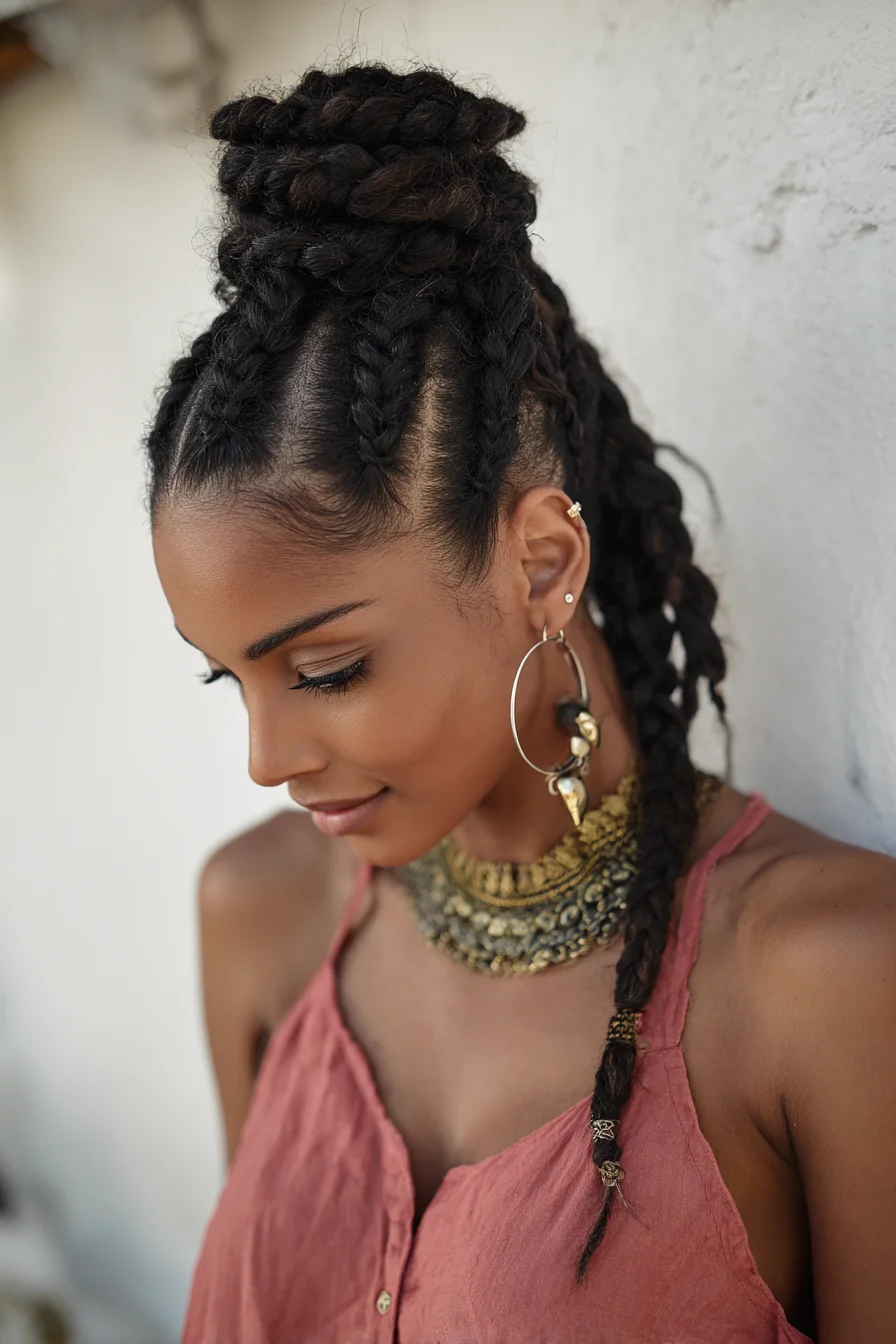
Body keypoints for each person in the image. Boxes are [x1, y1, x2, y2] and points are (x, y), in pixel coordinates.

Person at [146, 64, 896, 1344]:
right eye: (233, 678)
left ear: (542, 564)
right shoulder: (259, 917)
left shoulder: (824, 980)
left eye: (325, 671)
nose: (267, 758)